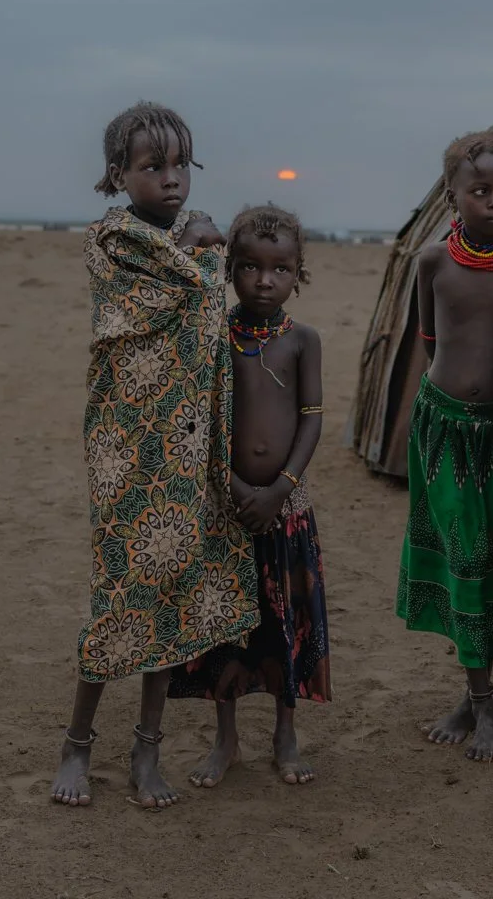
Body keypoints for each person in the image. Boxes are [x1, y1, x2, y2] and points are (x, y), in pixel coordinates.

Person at [51, 102, 260, 810]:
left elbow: (209, 299)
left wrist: (208, 248)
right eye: (152, 167)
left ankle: (147, 750)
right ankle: (77, 744)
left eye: (180, 166)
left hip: (193, 445)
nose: (171, 180)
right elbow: (172, 294)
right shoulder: (112, 240)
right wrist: (206, 249)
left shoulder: (195, 239)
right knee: (122, 591)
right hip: (128, 447)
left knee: (173, 594)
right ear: (118, 175)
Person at [168, 204, 331, 788]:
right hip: (227, 507)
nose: (265, 281)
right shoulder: (217, 336)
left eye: (280, 269)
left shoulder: (303, 341)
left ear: (298, 274)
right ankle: (227, 738)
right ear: (230, 269)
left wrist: (280, 488)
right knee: (226, 628)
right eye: (250, 268)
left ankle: (285, 736)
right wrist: (234, 487)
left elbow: (311, 419)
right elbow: (207, 416)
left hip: (285, 509)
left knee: (285, 624)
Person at [396, 131, 493, 763]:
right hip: (446, 430)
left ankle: (473, 689)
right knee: (463, 555)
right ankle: (482, 703)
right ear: (452, 196)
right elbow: (430, 341)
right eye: (479, 191)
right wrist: (455, 399)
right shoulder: (432, 262)